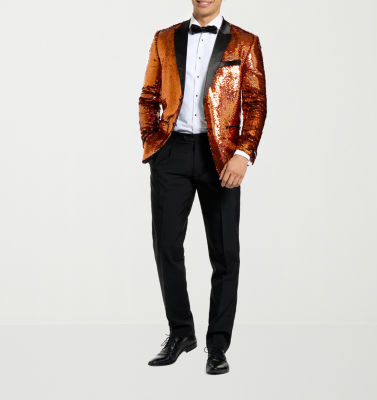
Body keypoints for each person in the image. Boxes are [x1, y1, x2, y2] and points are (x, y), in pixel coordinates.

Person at [138, 0, 267, 375]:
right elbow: (148, 96)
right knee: (166, 246)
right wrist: (153, 144)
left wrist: (243, 154)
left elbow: (255, 103)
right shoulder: (164, 38)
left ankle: (218, 345)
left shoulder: (245, 42)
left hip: (221, 156)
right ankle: (181, 333)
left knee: (225, 254)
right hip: (172, 154)